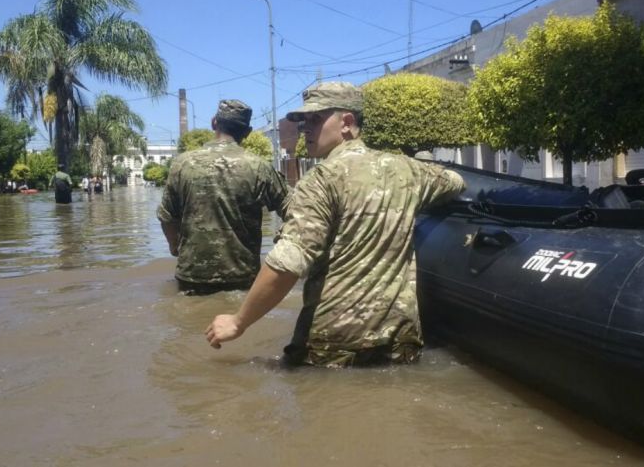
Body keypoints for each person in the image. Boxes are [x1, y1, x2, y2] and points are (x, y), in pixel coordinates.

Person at [204, 82, 466, 367]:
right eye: (303, 121)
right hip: (400, 342)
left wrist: (238, 321)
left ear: (347, 123)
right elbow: (455, 182)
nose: (305, 128)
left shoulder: (319, 182)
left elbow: (286, 264)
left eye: (315, 119)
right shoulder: (408, 170)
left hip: (331, 347)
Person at [157, 99, 289, 294]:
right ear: (247, 132)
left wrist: (175, 247)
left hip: (192, 276)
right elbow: (294, 211)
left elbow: (167, 216)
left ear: (213, 123)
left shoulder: (182, 164)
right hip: (242, 277)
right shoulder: (258, 167)